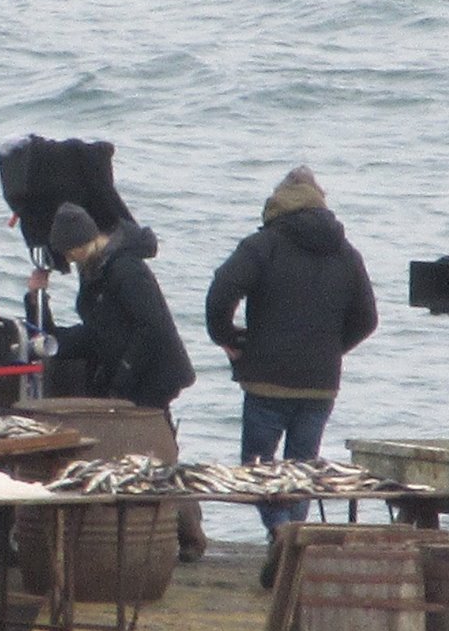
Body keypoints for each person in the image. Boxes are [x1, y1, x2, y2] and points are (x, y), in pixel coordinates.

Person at [205, 166, 378, 577]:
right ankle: (294, 544)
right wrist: (331, 349)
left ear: (278, 202)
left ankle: (280, 531)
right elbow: (368, 319)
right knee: (302, 469)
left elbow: (221, 291)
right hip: (319, 384)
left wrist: (227, 337)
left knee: (259, 467)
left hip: (267, 378)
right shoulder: (346, 253)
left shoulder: (263, 245)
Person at [31, 200, 203, 559]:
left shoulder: (126, 270)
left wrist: (123, 377)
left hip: (154, 375)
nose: (69, 260)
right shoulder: (95, 271)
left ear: (85, 241)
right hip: (128, 375)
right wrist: (37, 301)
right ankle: (170, 532)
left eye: (71, 251)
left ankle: (188, 535)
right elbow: (95, 332)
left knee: (158, 455)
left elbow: (151, 328)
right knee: (150, 454)